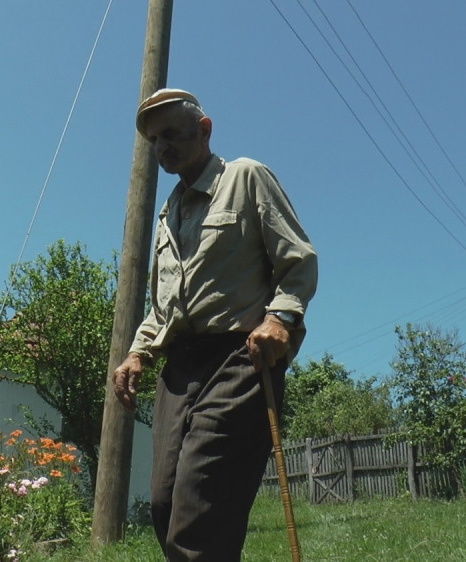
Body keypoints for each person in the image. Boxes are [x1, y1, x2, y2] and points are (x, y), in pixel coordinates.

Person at [112, 88, 318, 561]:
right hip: (179, 371)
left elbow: (298, 261)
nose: (163, 146)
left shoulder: (246, 178)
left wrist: (280, 318)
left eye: (171, 134)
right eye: (154, 140)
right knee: (164, 504)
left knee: (200, 507)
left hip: (238, 360)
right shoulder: (170, 211)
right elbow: (167, 306)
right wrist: (138, 352)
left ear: (204, 129)